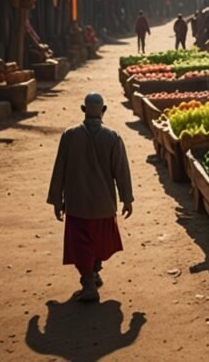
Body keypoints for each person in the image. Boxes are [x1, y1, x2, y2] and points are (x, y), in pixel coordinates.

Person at [48, 93, 133, 302]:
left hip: (78, 204)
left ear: (83, 110)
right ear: (103, 111)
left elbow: (59, 169)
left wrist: (57, 200)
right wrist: (127, 198)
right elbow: (122, 171)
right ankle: (93, 273)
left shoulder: (69, 135)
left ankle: (88, 283)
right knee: (99, 242)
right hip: (104, 205)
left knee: (82, 245)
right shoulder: (113, 137)